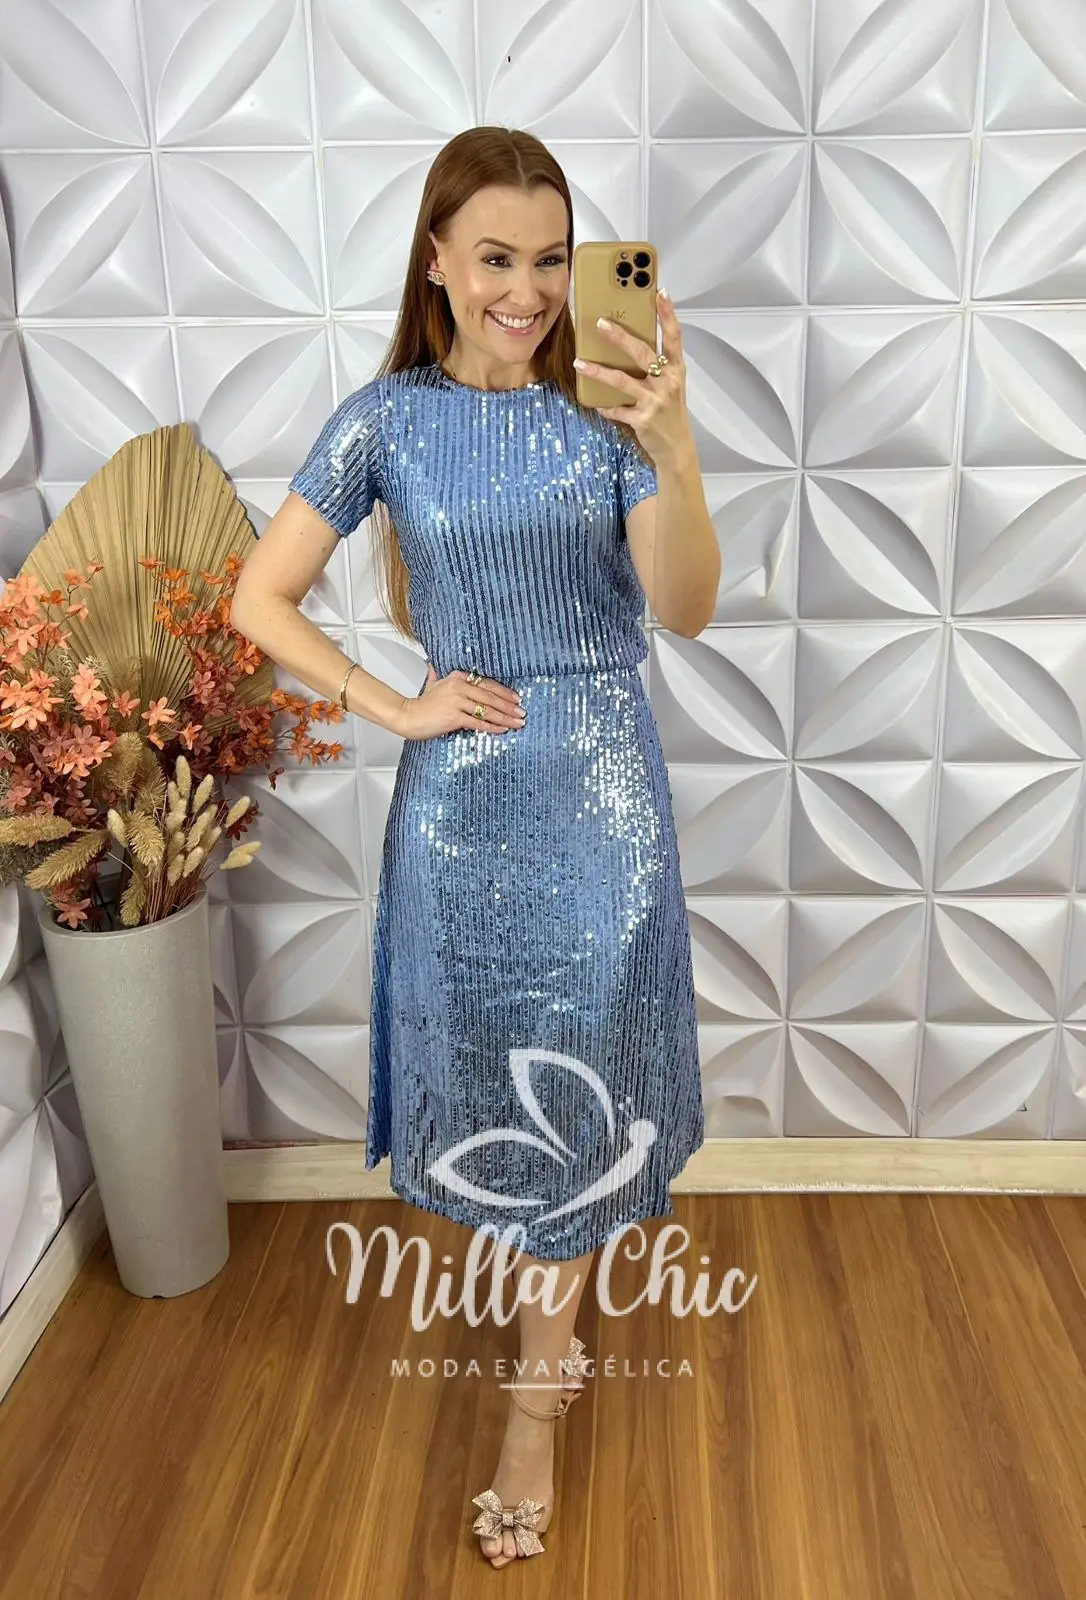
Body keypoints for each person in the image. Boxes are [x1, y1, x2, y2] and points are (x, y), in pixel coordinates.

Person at [230, 124, 720, 1568]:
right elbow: (260, 597)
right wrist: (391, 703)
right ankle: (546, 1331)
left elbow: (686, 609)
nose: (528, 289)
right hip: (460, 808)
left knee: (585, 1088)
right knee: (496, 1083)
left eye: (553, 259)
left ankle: (531, 1406)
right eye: (495, 256)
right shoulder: (384, 420)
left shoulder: (604, 415)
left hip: (603, 801)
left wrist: (674, 441)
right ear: (437, 264)